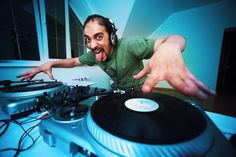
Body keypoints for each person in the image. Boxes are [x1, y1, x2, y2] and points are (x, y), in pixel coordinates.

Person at [17, 14, 215, 100]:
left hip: (141, 91)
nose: (92, 45)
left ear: (112, 36)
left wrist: (170, 47)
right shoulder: (94, 54)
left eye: (98, 37)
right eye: (87, 39)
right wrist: (50, 63)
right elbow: (74, 61)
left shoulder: (130, 45)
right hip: (118, 93)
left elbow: (177, 39)